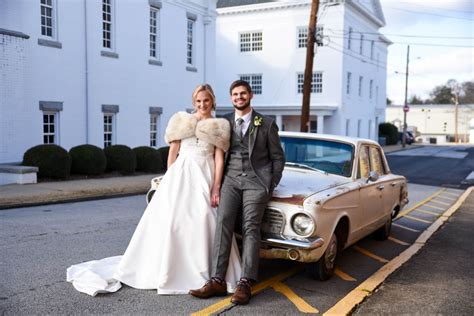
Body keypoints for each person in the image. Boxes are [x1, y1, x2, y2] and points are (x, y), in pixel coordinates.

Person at [66, 84, 242, 296]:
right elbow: (173, 152)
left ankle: (208, 274)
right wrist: (171, 178)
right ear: (194, 102)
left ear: (212, 100)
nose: (202, 104)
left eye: (206, 100)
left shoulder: (220, 125)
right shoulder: (182, 120)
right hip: (182, 173)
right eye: (198, 101)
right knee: (172, 223)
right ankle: (169, 269)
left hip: (206, 174)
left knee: (206, 218)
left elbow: (219, 158)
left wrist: (216, 186)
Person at [189, 80, 285, 305]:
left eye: (242, 94)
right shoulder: (223, 122)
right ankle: (216, 280)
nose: (239, 97)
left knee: (250, 226)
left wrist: (269, 184)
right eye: (235, 94)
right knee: (222, 222)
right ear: (231, 98)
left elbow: (278, 158)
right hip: (230, 180)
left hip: (256, 181)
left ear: (250, 95)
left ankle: (245, 282)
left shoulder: (267, 123)